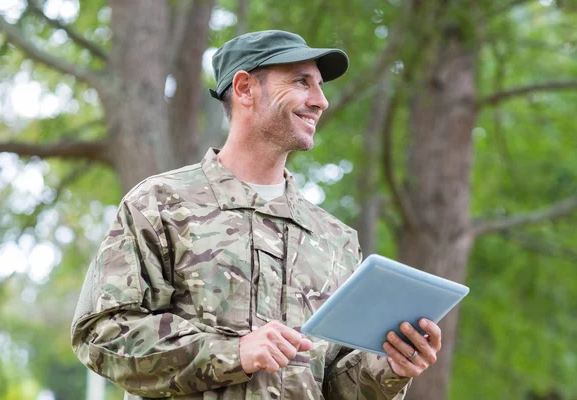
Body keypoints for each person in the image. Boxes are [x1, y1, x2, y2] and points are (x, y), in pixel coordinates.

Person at [71, 30, 441, 400]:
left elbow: (333, 385)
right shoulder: (160, 204)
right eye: (301, 82)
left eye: (320, 86)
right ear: (246, 88)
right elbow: (101, 334)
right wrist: (234, 353)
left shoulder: (335, 239)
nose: (321, 101)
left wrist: (391, 367)